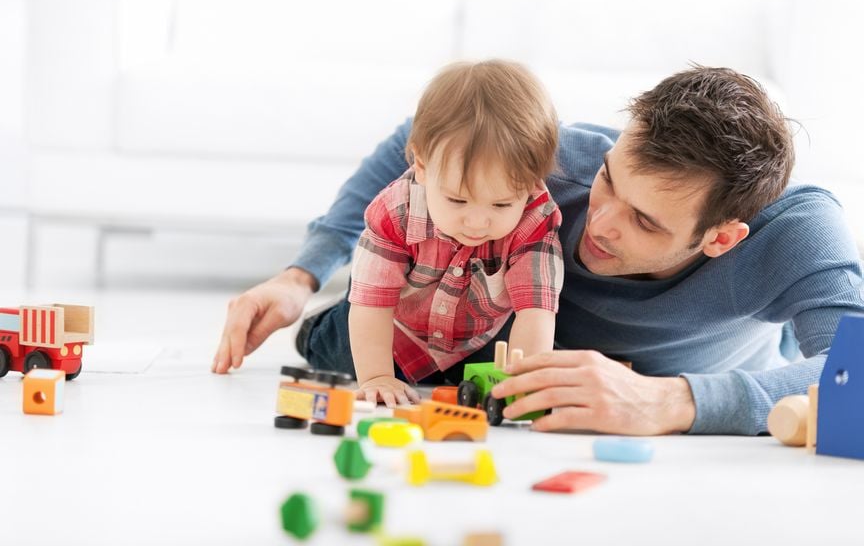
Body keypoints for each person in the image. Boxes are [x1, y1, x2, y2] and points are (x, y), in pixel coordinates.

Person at [212, 65, 864, 437]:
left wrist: (674, 402)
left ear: (720, 239)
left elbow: (854, 370)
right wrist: (303, 272)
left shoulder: (798, 232)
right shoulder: (559, 163)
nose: (597, 221)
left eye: (643, 221)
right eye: (610, 179)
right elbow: (418, 140)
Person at [347, 61, 563, 407]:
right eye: (458, 199)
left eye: (501, 204)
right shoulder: (395, 210)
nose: (477, 223)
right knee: (333, 346)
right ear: (421, 165)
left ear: (534, 181)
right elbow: (372, 304)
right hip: (390, 334)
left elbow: (536, 310)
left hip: (475, 341)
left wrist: (521, 388)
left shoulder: (535, 220)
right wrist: (376, 376)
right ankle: (319, 327)